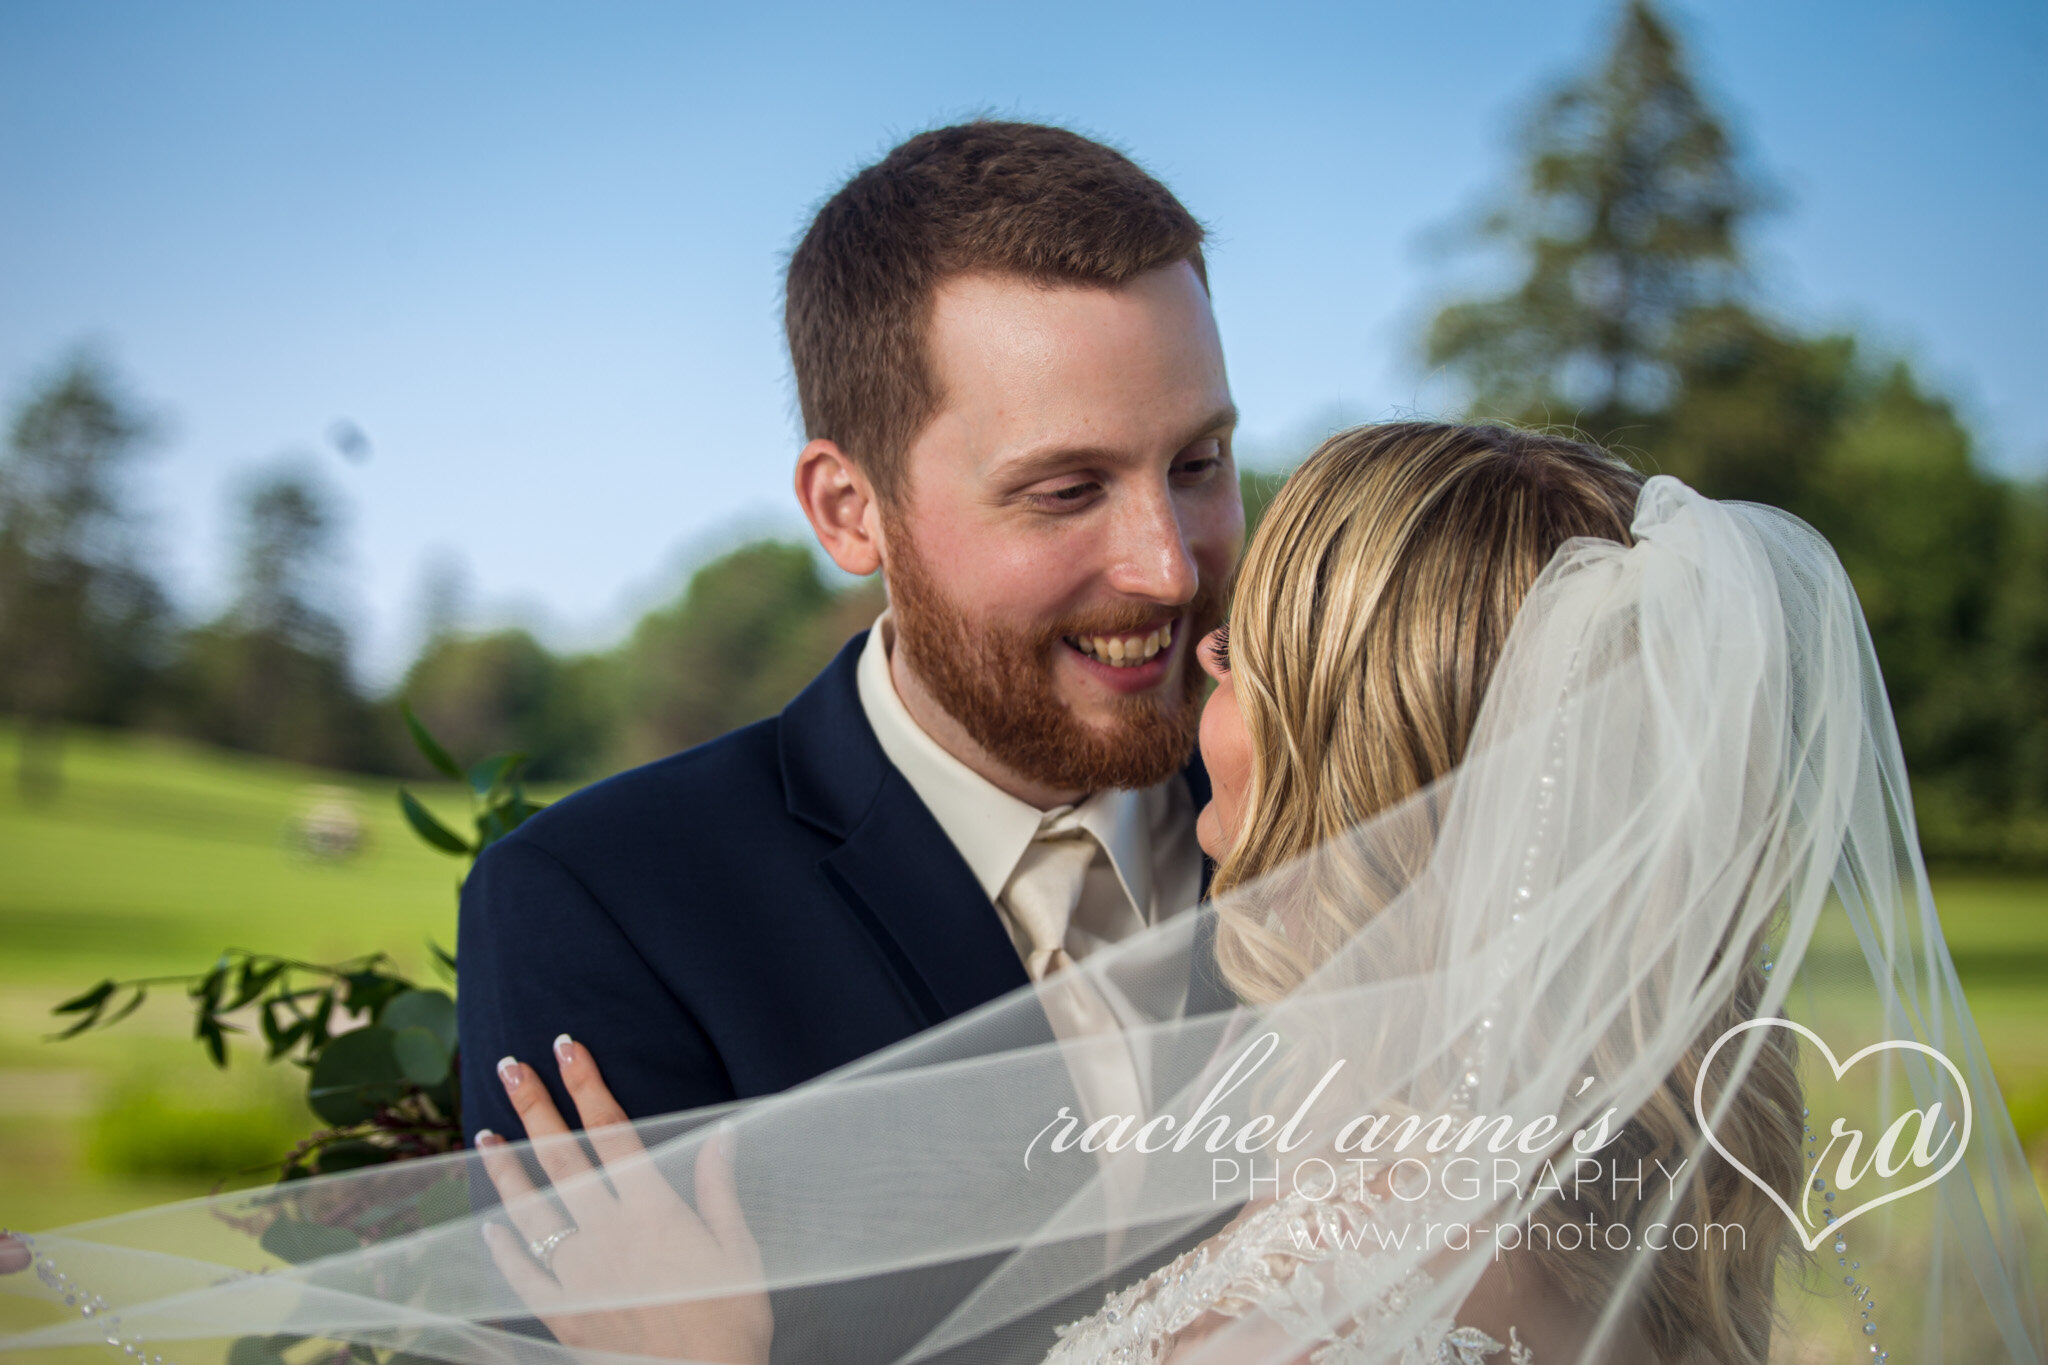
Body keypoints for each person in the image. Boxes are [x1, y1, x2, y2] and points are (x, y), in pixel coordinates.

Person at [9, 435, 2044, 1361]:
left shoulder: (1348, 1268)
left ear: (1367, 757)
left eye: (1245, 659)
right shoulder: (1624, 1159)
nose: (1187, 684)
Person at [457, 119, 1242, 1151]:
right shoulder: (604, 905)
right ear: (847, 510)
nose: (1169, 567)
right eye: (1064, 491)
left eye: (1198, 463)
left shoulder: (1355, 810)